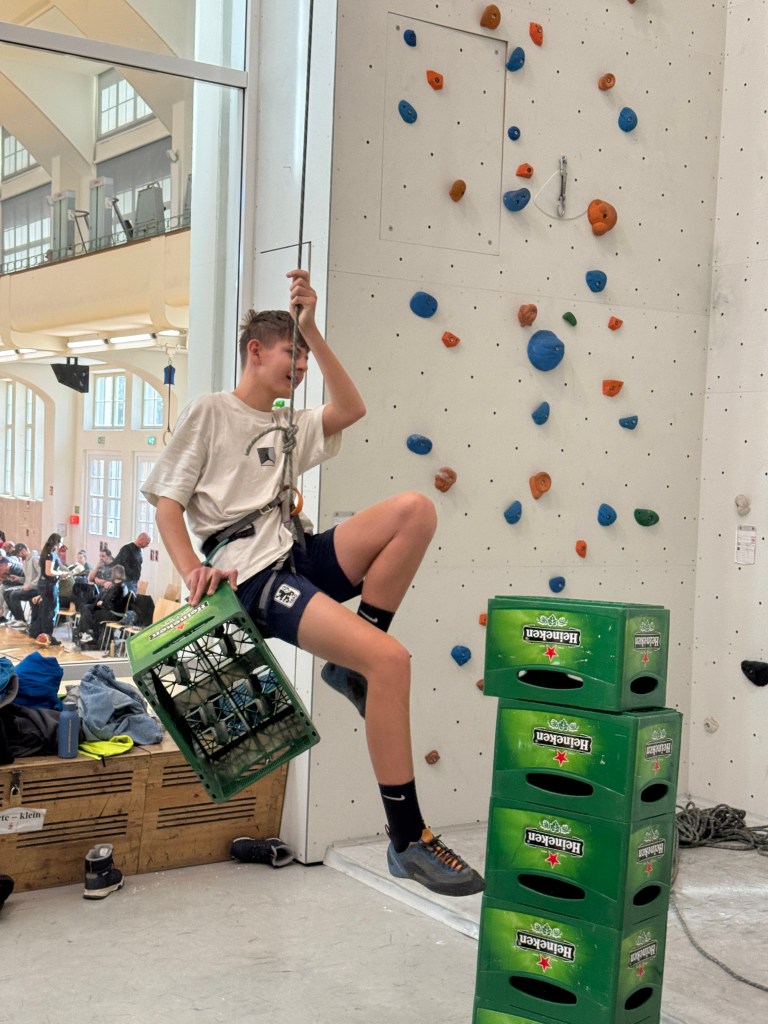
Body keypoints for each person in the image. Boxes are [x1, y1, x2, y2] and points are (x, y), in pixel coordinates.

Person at [143, 268, 484, 897]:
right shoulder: (211, 412)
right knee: (393, 662)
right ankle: (407, 839)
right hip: (252, 576)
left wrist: (312, 330)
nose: (300, 369)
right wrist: (192, 569)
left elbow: (351, 408)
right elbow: (167, 504)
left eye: (303, 360)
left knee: (415, 510)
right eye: (291, 355)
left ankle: (351, 668)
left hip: (295, 554)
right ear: (255, 351)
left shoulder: (288, 423)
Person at [75, 565, 131, 649]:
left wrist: (103, 603)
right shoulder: (121, 586)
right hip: (112, 611)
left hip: (113, 614)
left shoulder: (118, 588)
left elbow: (114, 604)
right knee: (86, 608)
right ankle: (87, 633)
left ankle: (86, 633)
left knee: (90, 613)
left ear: (113, 574)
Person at [29, 533, 68, 644]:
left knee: (44, 610)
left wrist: (59, 575)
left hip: (44, 584)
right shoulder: (50, 554)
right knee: (51, 611)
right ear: (57, 542)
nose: (61, 545)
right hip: (49, 586)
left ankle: (37, 633)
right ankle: (48, 637)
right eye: (61, 542)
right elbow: (49, 571)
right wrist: (61, 573)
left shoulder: (46, 552)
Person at [4, 543, 41, 626]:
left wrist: (31, 585)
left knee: (14, 594)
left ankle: (21, 621)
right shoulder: (25, 561)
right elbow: (27, 579)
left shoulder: (35, 559)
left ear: (24, 550)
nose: (19, 556)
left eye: (19, 553)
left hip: (36, 588)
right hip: (28, 587)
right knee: (6, 593)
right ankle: (17, 618)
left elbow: (41, 575)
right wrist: (18, 579)